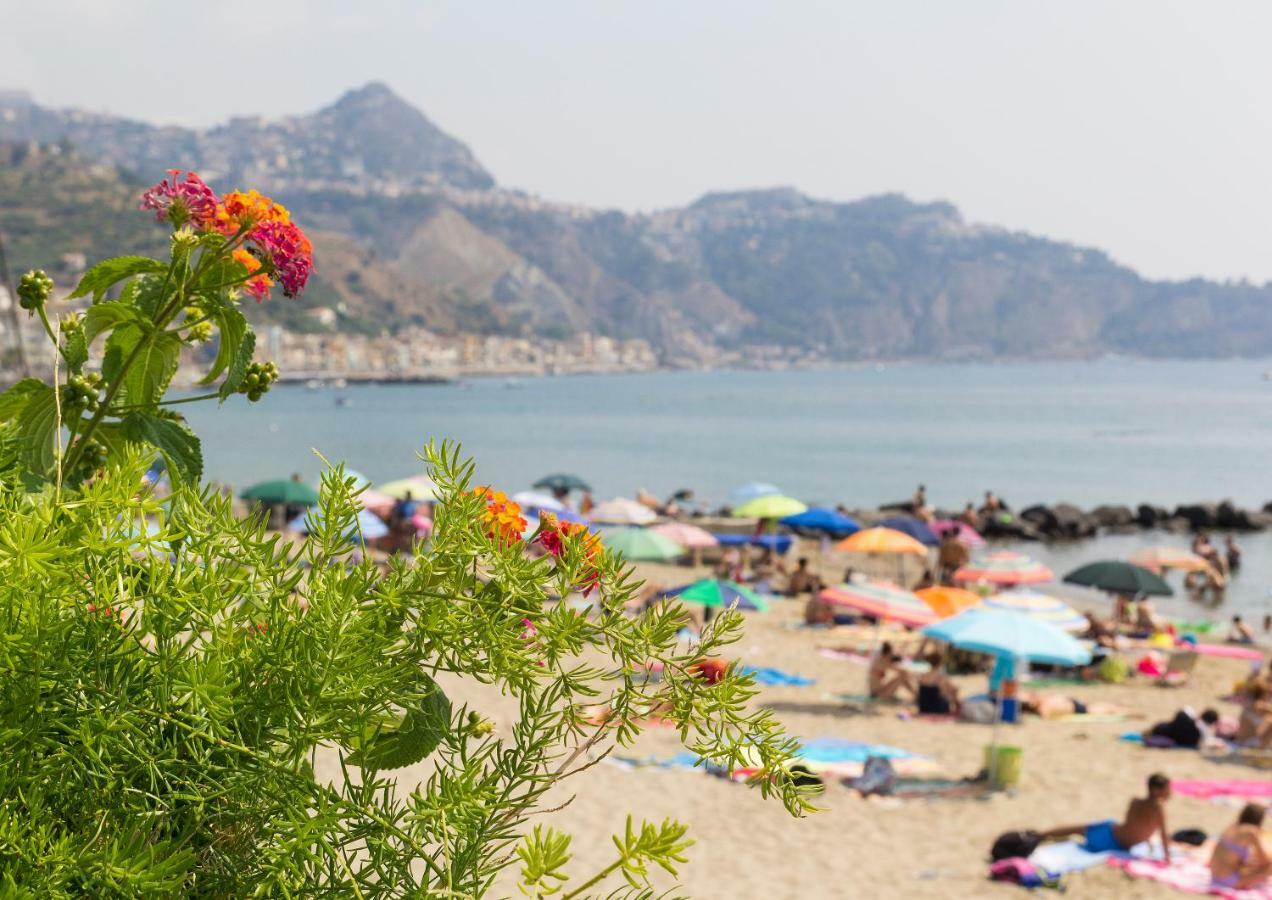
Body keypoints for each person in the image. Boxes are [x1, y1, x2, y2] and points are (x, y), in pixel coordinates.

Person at [1041, 773, 1172, 860]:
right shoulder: (1158, 807)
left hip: (1113, 834)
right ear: (1156, 790)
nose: (1170, 792)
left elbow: (1134, 825)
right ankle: (1041, 834)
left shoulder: (1135, 802)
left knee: (1078, 830)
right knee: (1078, 830)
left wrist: (1146, 839)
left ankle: (1042, 834)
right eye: (1167, 789)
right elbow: (1163, 834)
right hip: (1111, 839)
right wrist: (1167, 857)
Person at [1210, 804, 1272, 890]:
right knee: (1270, 867)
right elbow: (1265, 860)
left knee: (1253, 862)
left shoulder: (1232, 826)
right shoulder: (1251, 832)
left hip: (1214, 876)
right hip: (1229, 881)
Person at [1018, 690, 1133, 720]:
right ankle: (1120, 708)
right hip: (1069, 702)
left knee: (1097, 709)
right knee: (1096, 707)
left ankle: (1123, 711)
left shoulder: (1043, 705)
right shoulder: (1042, 699)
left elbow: (1045, 716)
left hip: (1074, 707)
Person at [1144, 707, 1221, 749]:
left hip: (1165, 730)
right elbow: (1203, 745)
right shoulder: (1204, 733)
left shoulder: (1185, 718)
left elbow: (1184, 710)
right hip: (1176, 736)